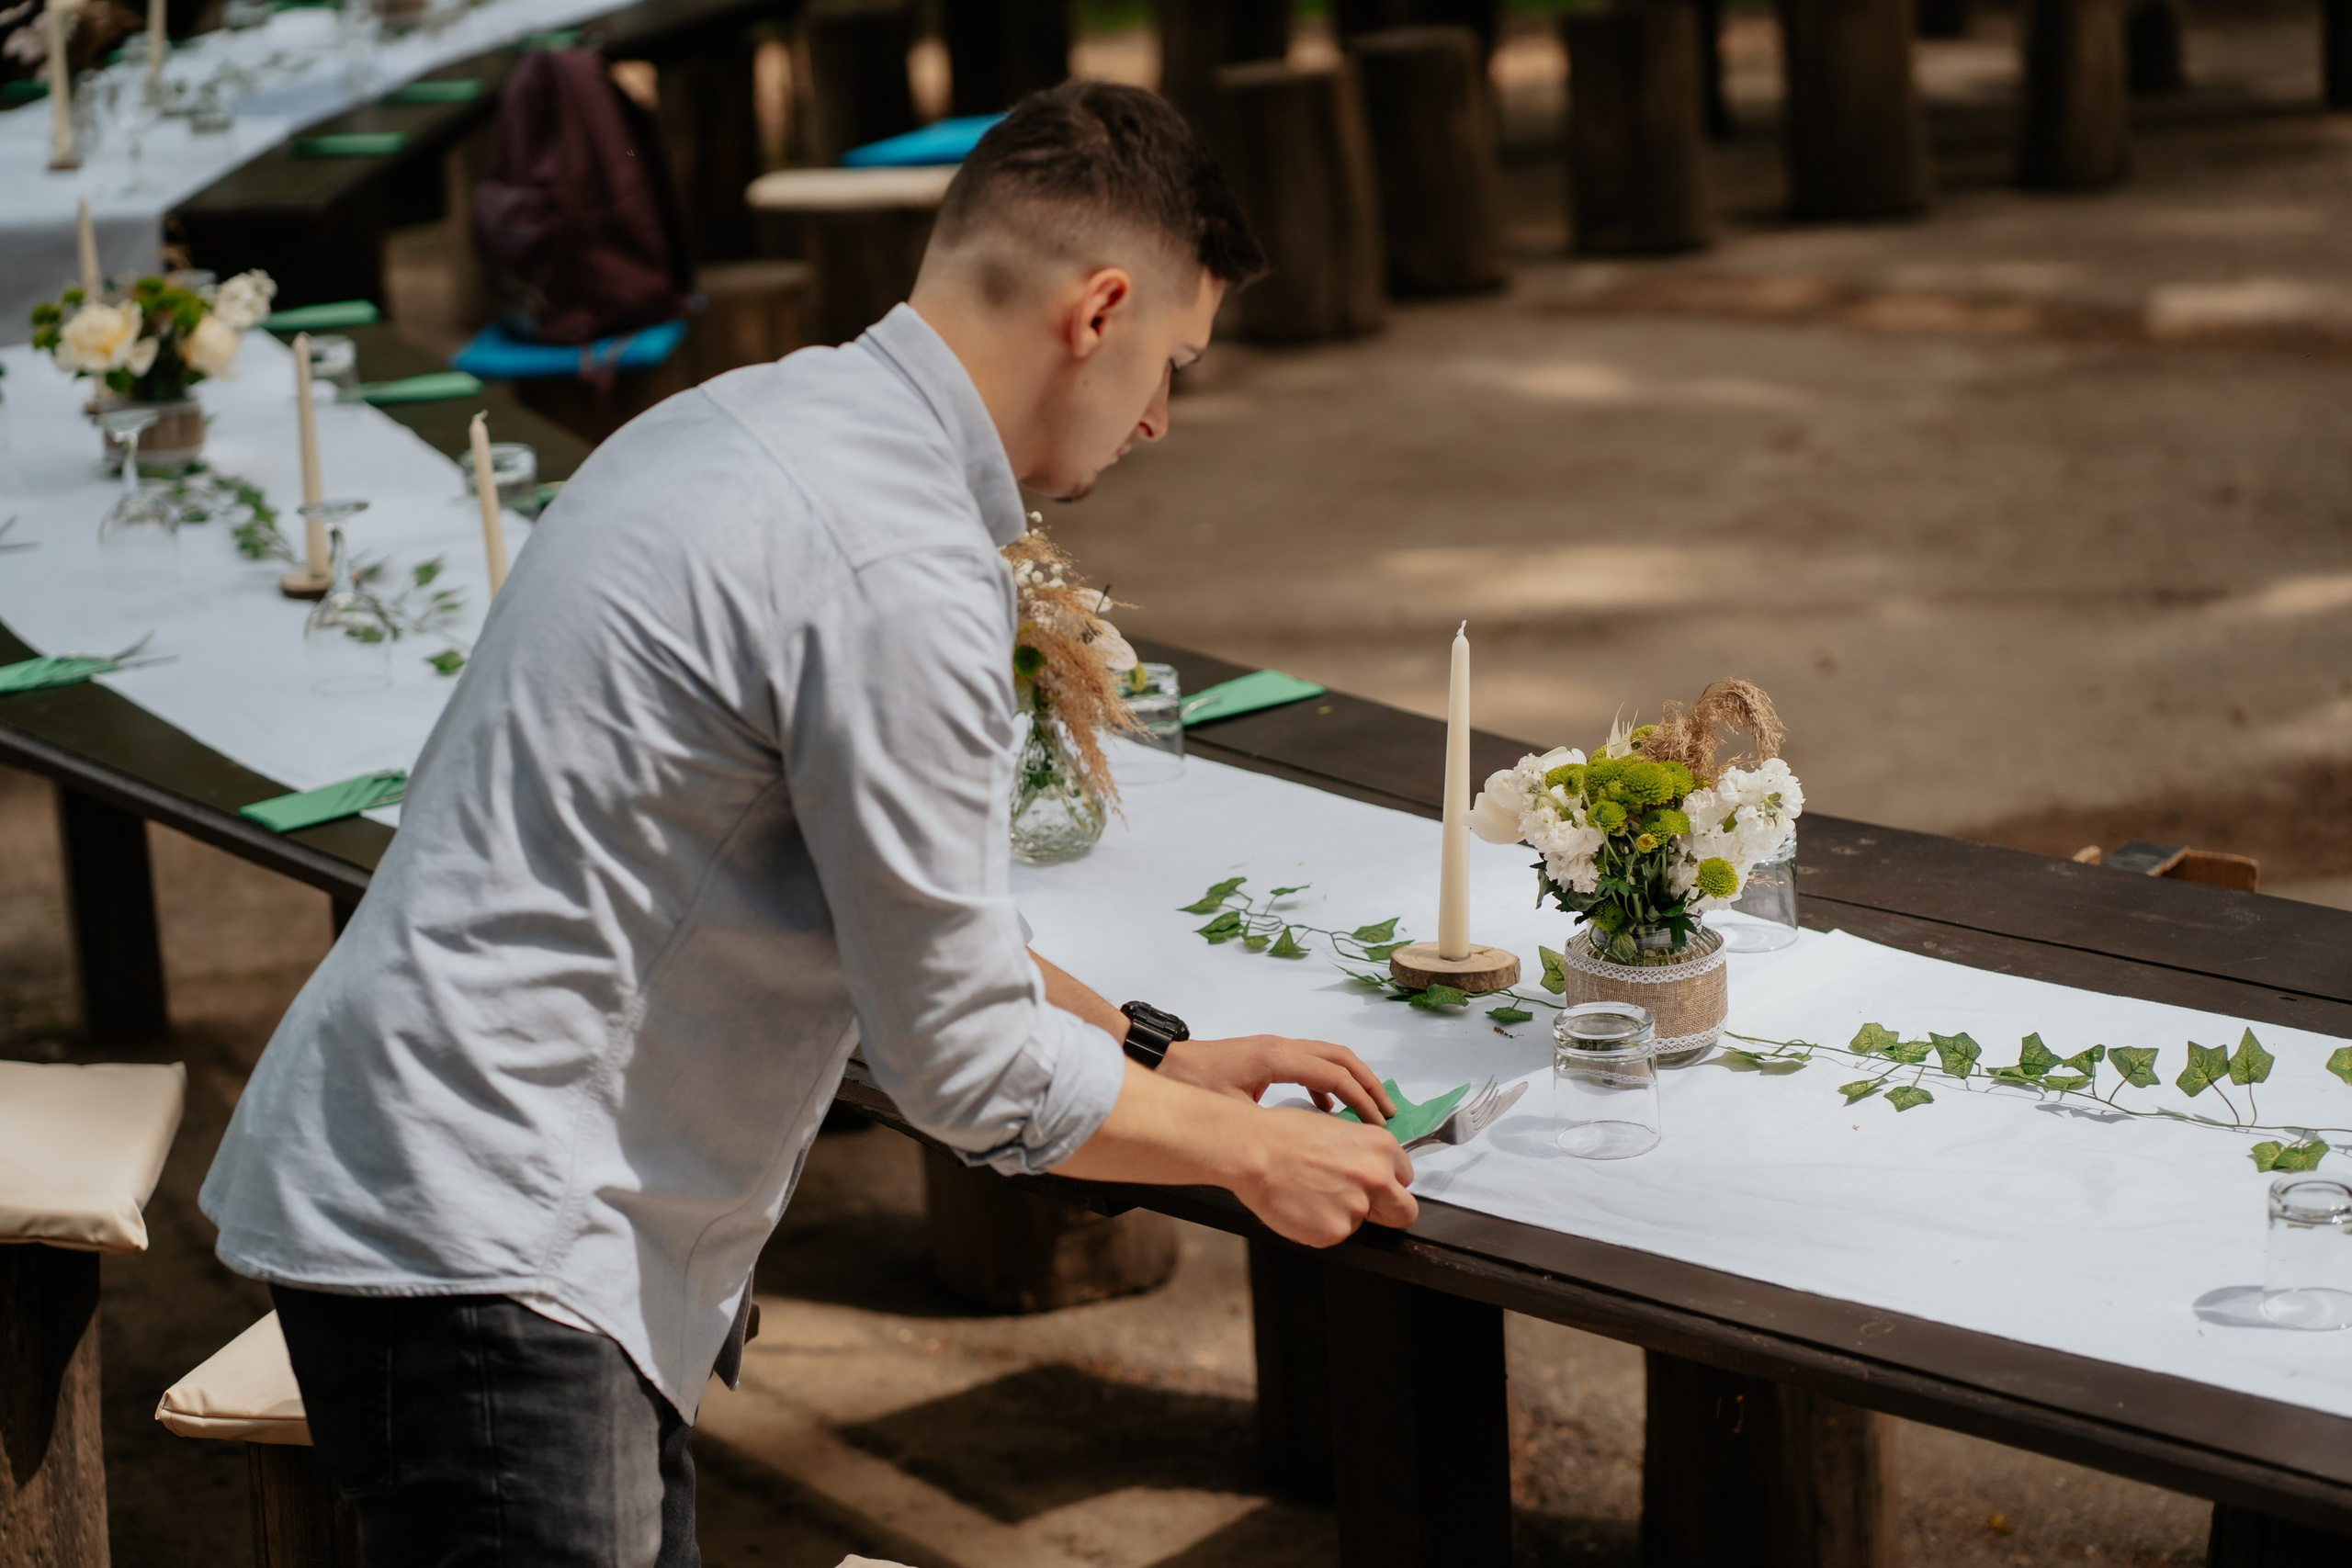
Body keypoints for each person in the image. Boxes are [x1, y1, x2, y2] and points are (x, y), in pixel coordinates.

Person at [198, 80, 1418, 1565]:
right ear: (1098, 311)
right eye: (1173, 361)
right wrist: (1243, 1157)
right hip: (498, 1235)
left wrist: (1163, 1059)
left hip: (456, 1194)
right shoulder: (894, 558)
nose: (1162, 416)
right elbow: (960, 1064)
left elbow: (898, 919)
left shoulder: (742, 416)